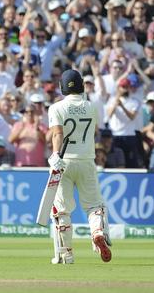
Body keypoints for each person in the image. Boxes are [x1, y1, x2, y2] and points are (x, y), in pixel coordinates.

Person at [47, 69, 111, 264]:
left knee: (61, 210)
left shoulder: (56, 108)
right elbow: (94, 129)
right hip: (86, 161)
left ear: (62, 87)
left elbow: (57, 134)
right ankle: (98, 231)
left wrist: (56, 154)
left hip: (64, 162)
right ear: (82, 85)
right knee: (94, 205)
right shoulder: (92, 107)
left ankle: (66, 255)